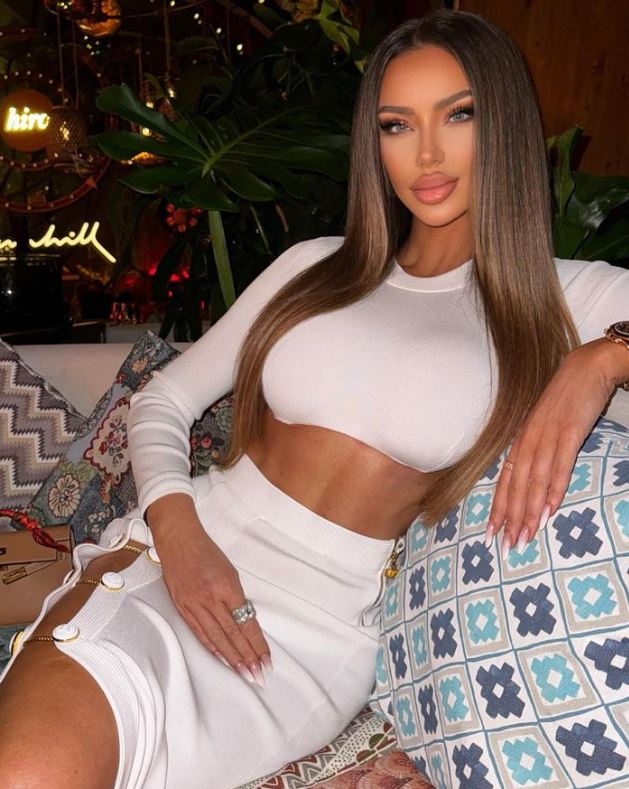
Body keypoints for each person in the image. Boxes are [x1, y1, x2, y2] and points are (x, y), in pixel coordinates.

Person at [1, 9, 628, 788]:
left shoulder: (562, 297)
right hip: (180, 560)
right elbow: (161, 400)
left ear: (503, 121)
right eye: (396, 125)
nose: (425, 154)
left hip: (310, 646)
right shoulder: (316, 266)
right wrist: (181, 535)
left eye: (457, 115)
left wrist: (602, 358)